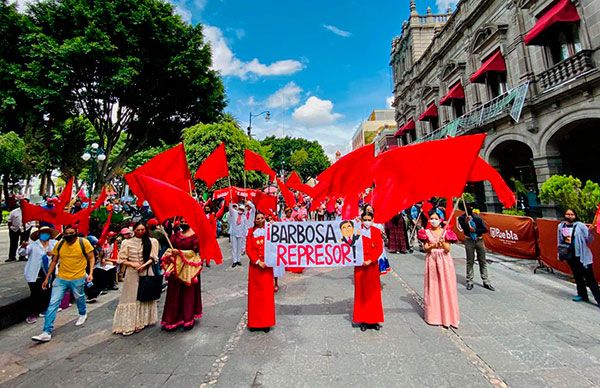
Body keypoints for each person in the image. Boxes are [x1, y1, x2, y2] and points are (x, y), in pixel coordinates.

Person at [31, 225, 95, 343]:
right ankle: (46, 331)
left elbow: (91, 257)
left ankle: (82, 313)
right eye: (67, 233)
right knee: (53, 303)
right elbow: (54, 260)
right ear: (63, 234)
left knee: (79, 297)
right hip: (61, 278)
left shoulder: (83, 243)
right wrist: (47, 277)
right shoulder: (60, 244)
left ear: (76, 232)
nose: (69, 235)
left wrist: (90, 273)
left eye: (72, 233)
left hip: (78, 277)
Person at [112, 222, 159, 335]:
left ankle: (143, 321)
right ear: (134, 230)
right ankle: (130, 323)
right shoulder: (126, 242)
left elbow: (154, 257)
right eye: (138, 230)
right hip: (132, 273)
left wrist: (143, 265)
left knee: (144, 296)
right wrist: (132, 264)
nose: (141, 232)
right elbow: (121, 259)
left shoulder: (152, 241)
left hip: (147, 271)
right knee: (130, 297)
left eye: (143, 230)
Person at [418, 212, 460, 329]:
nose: (433, 220)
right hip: (432, 261)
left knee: (447, 286)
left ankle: (449, 316)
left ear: (440, 220)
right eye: (431, 218)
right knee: (433, 286)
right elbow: (426, 249)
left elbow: (447, 249)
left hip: (445, 262)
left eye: (436, 218)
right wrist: (433, 245)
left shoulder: (446, 232)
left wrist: (442, 244)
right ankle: (434, 315)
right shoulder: (425, 232)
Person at [161, 218, 204, 330]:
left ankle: (188, 319)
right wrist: (171, 252)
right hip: (176, 267)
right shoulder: (175, 236)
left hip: (189, 269)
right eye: (182, 221)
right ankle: (172, 319)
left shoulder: (196, 236)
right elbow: (171, 249)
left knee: (188, 293)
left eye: (186, 221)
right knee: (174, 293)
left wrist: (180, 252)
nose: (183, 223)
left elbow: (194, 252)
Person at [557, 209, 600, 306]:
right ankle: (582, 294)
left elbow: (588, 241)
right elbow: (559, 240)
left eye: (572, 214)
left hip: (582, 256)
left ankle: (598, 299)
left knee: (590, 279)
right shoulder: (561, 226)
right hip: (570, 255)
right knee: (577, 276)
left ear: (575, 216)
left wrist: (591, 232)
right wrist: (560, 254)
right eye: (568, 214)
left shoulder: (580, 226)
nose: (569, 216)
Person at [20, 226, 59, 324]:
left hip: (48, 271)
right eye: (43, 233)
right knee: (35, 293)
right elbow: (23, 253)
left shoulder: (54, 243)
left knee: (46, 290)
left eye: (47, 233)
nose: (45, 235)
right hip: (35, 272)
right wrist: (23, 247)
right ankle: (31, 314)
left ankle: (44, 309)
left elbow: (59, 253)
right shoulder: (33, 245)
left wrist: (53, 254)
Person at [352, 212, 384, 331]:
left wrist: (371, 260)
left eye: (368, 219)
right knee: (361, 293)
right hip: (360, 266)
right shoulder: (357, 230)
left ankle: (374, 319)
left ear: (372, 219)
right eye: (364, 219)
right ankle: (363, 319)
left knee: (373, 292)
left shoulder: (376, 231)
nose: (366, 221)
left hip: (372, 266)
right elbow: (351, 244)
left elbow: (380, 248)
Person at [246, 212, 275, 332]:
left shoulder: (271, 230)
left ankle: (266, 323)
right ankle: (254, 323)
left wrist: (270, 260)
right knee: (254, 296)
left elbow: (275, 245)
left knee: (266, 296)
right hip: (255, 268)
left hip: (267, 267)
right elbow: (249, 249)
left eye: (262, 218)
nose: (260, 220)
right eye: (258, 218)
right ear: (255, 220)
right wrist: (257, 261)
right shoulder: (250, 232)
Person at [457, 204, 495, 291]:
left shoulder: (477, 218)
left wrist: (476, 230)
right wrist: (466, 224)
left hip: (479, 240)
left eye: (470, 207)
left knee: (482, 260)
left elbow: (485, 229)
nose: (469, 209)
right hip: (469, 240)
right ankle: (469, 281)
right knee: (470, 260)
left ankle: (486, 281)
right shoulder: (461, 218)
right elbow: (464, 229)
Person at [229, 201, 255, 268]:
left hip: (240, 234)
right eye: (240, 209)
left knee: (239, 248)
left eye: (242, 210)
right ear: (238, 209)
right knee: (234, 247)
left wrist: (245, 234)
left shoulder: (244, 217)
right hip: (233, 233)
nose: (241, 210)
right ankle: (234, 261)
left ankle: (238, 260)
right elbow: (230, 209)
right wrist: (230, 201)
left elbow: (245, 226)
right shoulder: (234, 213)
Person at [203, 202, 225, 267]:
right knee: (202, 248)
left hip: (209, 234)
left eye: (208, 209)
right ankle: (202, 260)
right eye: (206, 209)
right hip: (203, 234)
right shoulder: (202, 215)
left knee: (208, 248)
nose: (207, 210)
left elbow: (214, 225)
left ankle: (208, 261)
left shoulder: (212, 216)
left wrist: (213, 234)